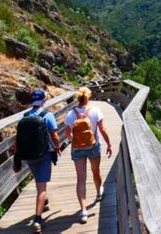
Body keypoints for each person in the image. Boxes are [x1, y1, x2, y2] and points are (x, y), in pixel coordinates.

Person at [13, 89, 60, 233]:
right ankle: (38, 219)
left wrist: (16, 159)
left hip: (28, 156)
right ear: (43, 101)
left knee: (38, 181)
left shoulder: (24, 116)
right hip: (43, 155)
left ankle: (44, 202)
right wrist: (57, 148)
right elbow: (55, 136)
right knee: (42, 188)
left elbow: (17, 140)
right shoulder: (48, 116)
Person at [64, 86, 112, 224]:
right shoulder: (95, 110)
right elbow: (102, 129)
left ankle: (84, 211)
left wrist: (75, 138)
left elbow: (68, 133)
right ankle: (98, 193)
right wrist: (109, 144)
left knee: (81, 179)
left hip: (77, 149)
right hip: (93, 146)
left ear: (77, 98)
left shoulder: (70, 114)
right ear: (88, 97)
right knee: (95, 171)